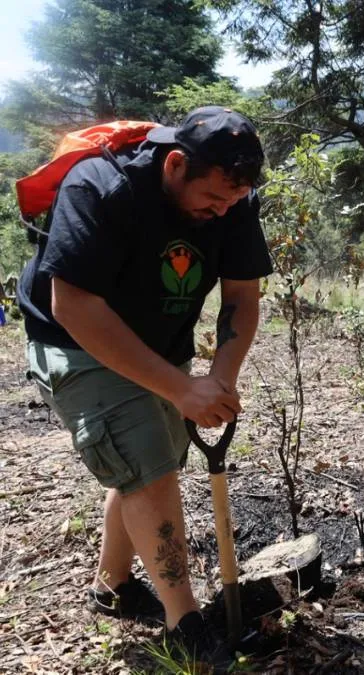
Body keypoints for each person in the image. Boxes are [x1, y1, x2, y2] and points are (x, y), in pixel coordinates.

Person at [17, 106, 271, 663]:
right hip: (74, 338)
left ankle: (113, 585)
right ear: (176, 164)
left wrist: (219, 378)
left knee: (146, 465)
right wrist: (182, 391)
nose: (222, 211)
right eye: (212, 199)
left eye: (232, 202)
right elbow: (75, 305)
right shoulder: (101, 187)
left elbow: (241, 299)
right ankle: (187, 628)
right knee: (150, 467)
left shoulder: (235, 199)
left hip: (159, 342)